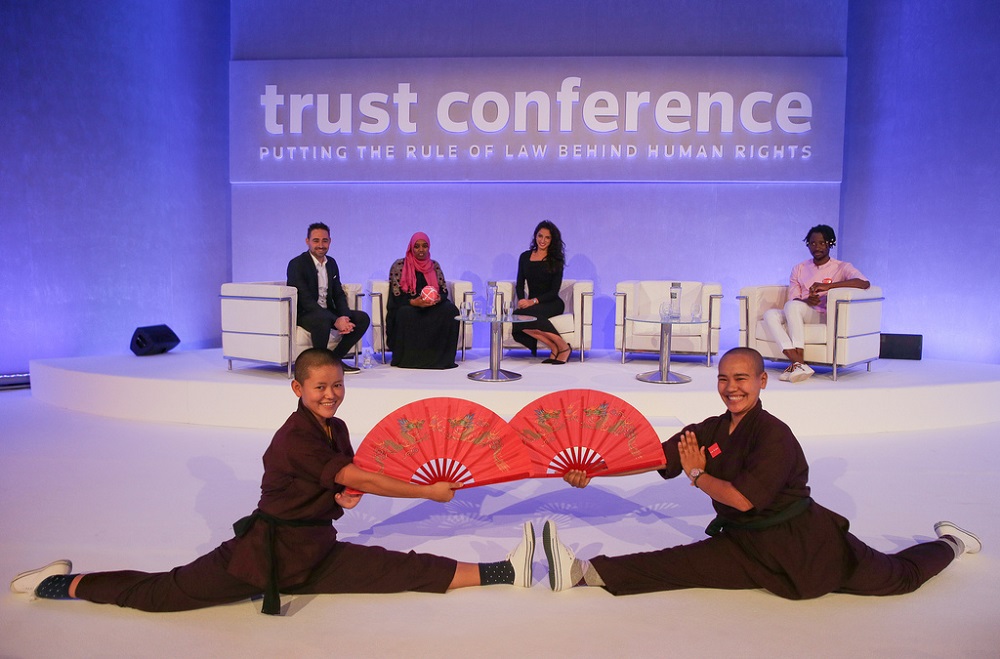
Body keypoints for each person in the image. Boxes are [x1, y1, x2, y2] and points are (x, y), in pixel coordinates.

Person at [10, 349, 535, 614]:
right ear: (297, 388)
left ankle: (503, 570)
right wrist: (427, 491)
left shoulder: (338, 426)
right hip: (265, 554)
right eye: (320, 387)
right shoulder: (294, 438)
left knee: (401, 568)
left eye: (337, 385)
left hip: (317, 550)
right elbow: (357, 476)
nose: (330, 395)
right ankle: (60, 583)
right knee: (159, 594)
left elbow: (345, 486)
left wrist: (343, 496)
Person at [541, 347, 981, 599]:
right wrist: (595, 470)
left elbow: (743, 499)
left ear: (762, 381)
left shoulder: (775, 436)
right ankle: (582, 571)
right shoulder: (709, 430)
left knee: (898, 578)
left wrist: (697, 477)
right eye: (723, 379)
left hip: (807, 544)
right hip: (745, 545)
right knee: (676, 564)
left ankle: (951, 543)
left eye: (741, 378)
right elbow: (656, 457)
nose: (731, 387)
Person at [763, 224, 871, 382]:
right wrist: (807, 300)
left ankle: (797, 364)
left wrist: (828, 286)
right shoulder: (799, 268)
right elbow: (793, 299)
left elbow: (864, 283)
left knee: (792, 307)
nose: (817, 247)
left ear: (830, 244)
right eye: (812, 243)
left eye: (822, 243)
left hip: (822, 314)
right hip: (800, 310)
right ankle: (798, 362)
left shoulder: (841, 267)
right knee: (770, 314)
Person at [287, 222, 371, 373]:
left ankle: (334, 360)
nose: (321, 245)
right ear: (307, 242)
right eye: (316, 240)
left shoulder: (331, 263)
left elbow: (338, 294)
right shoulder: (297, 264)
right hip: (306, 313)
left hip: (328, 311)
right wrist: (335, 320)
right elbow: (306, 300)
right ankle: (320, 367)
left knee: (362, 318)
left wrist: (344, 316)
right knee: (322, 320)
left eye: (324, 241)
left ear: (330, 241)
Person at [386, 232, 460, 369]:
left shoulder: (434, 265)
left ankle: (443, 359)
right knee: (404, 313)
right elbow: (396, 295)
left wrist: (437, 299)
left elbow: (443, 291)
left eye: (425, 246)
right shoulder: (399, 265)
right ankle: (408, 360)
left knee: (451, 311)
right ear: (411, 248)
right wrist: (414, 302)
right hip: (409, 304)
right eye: (417, 246)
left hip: (431, 305)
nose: (421, 250)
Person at [513, 220, 572, 364]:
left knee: (526, 316)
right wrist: (522, 300)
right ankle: (555, 347)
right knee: (516, 316)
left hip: (552, 303)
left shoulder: (555, 260)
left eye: (547, 237)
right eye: (540, 236)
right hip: (531, 305)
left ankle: (564, 347)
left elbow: (553, 292)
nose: (543, 240)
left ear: (552, 240)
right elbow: (519, 284)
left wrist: (532, 301)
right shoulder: (525, 257)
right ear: (535, 236)